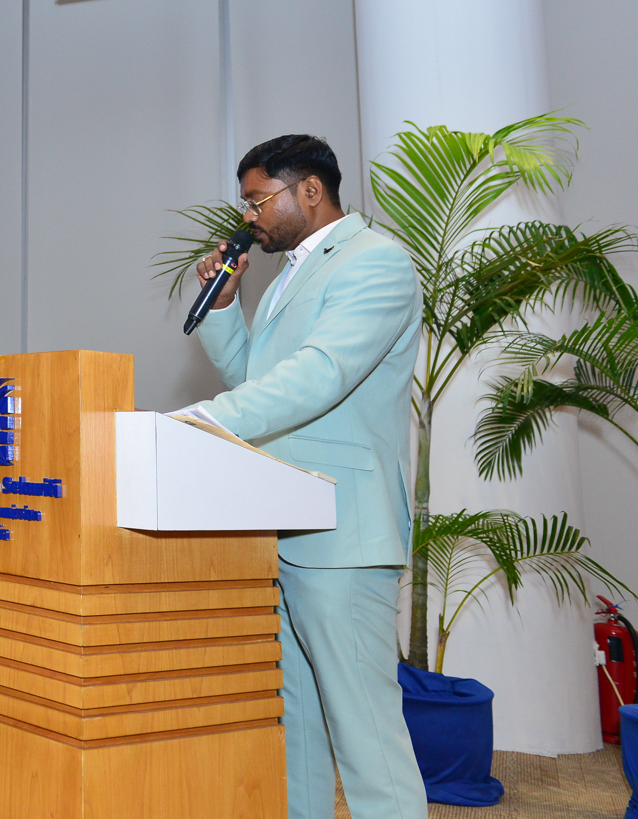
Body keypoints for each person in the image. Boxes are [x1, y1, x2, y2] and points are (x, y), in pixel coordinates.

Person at [182, 133, 426, 819]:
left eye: (257, 199)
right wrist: (225, 308)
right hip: (284, 526)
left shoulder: (375, 262)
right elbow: (261, 383)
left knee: (368, 741)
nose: (248, 216)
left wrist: (198, 420)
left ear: (310, 190)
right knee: (300, 734)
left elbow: (320, 376)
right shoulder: (289, 275)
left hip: (342, 535)